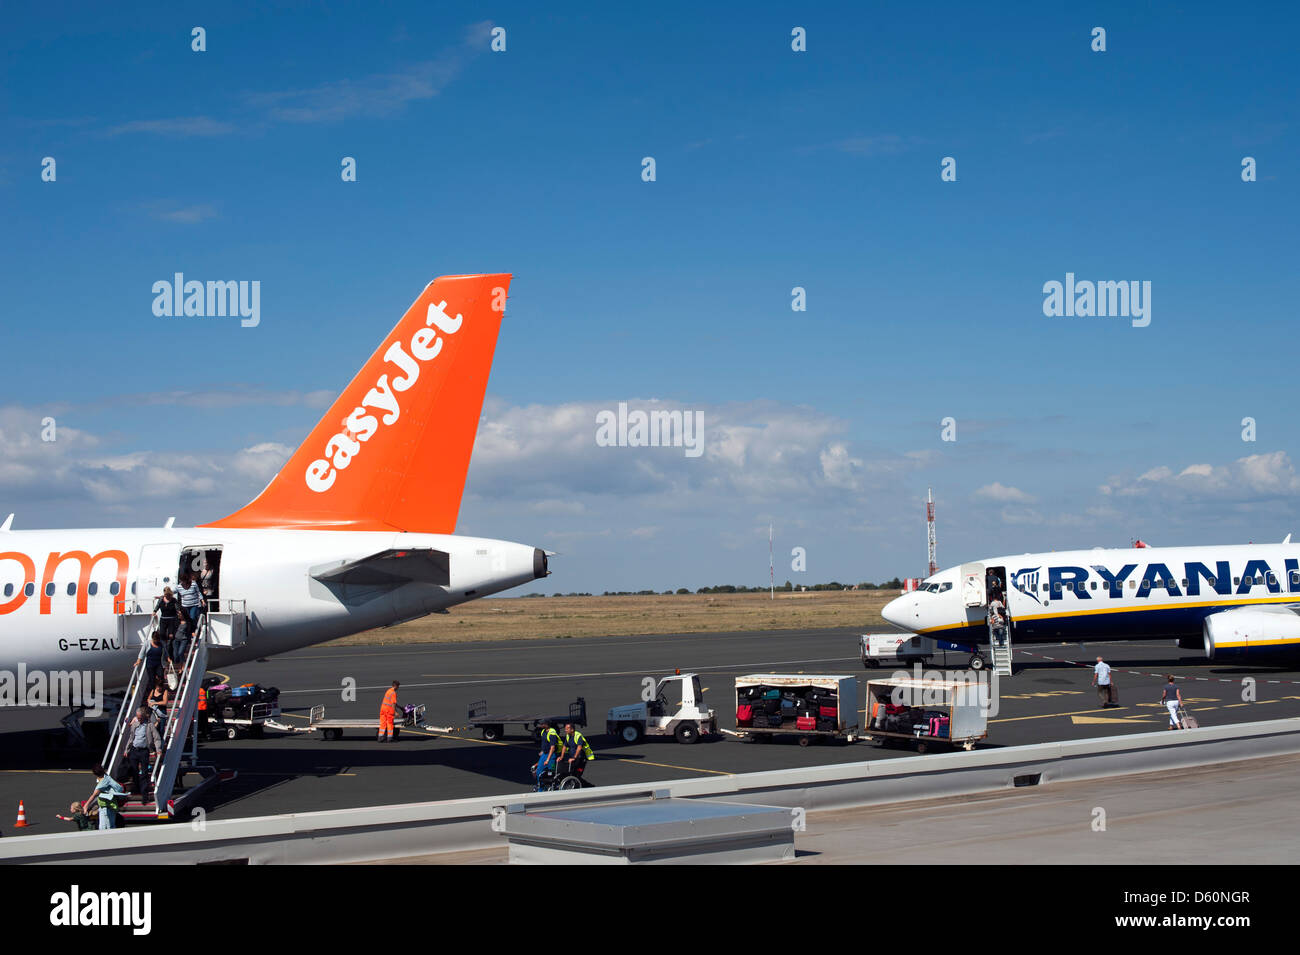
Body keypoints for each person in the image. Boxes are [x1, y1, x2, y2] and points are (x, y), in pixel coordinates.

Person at [123, 706, 163, 801]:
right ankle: (136, 789)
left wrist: (158, 749)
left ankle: (144, 794)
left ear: (144, 717)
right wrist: (126, 750)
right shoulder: (135, 725)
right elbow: (131, 738)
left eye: (140, 717)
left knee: (144, 772)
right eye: (138, 717)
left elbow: (157, 738)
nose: (139, 719)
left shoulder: (150, 726)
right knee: (134, 771)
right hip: (134, 750)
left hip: (144, 751)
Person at [87, 765, 126, 830]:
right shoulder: (108, 778)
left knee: (104, 827)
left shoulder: (103, 782)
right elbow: (120, 789)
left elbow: (94, 795)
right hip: (112, 806)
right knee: (111, 826)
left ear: (95, 774)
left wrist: (86, 806)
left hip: (106, 807)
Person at [559, 722, 595, 787]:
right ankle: (579, 785)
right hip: (574, 758)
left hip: (581, 758)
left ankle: (589, 786)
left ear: (572, 730)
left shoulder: (578, 736)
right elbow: (564, 746)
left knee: (577, 774)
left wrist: (574, 757)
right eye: (565, 728)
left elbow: (579, 748)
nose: (565, 730)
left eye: (567, 728)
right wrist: (561, 756)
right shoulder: (568, 736)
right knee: (571, 773)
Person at [531, 719, 560, 791]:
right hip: (545, 754)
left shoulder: (552, 734)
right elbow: (545, 743)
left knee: (551, 772)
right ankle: (541, 786)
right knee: (538, 771)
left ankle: (554, 786)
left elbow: (552, 748)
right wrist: (543, 751)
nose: (540, 725)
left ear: (546, 725)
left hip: (551, 756)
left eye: (542, 724)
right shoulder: (543, 732)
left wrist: (547, 759)